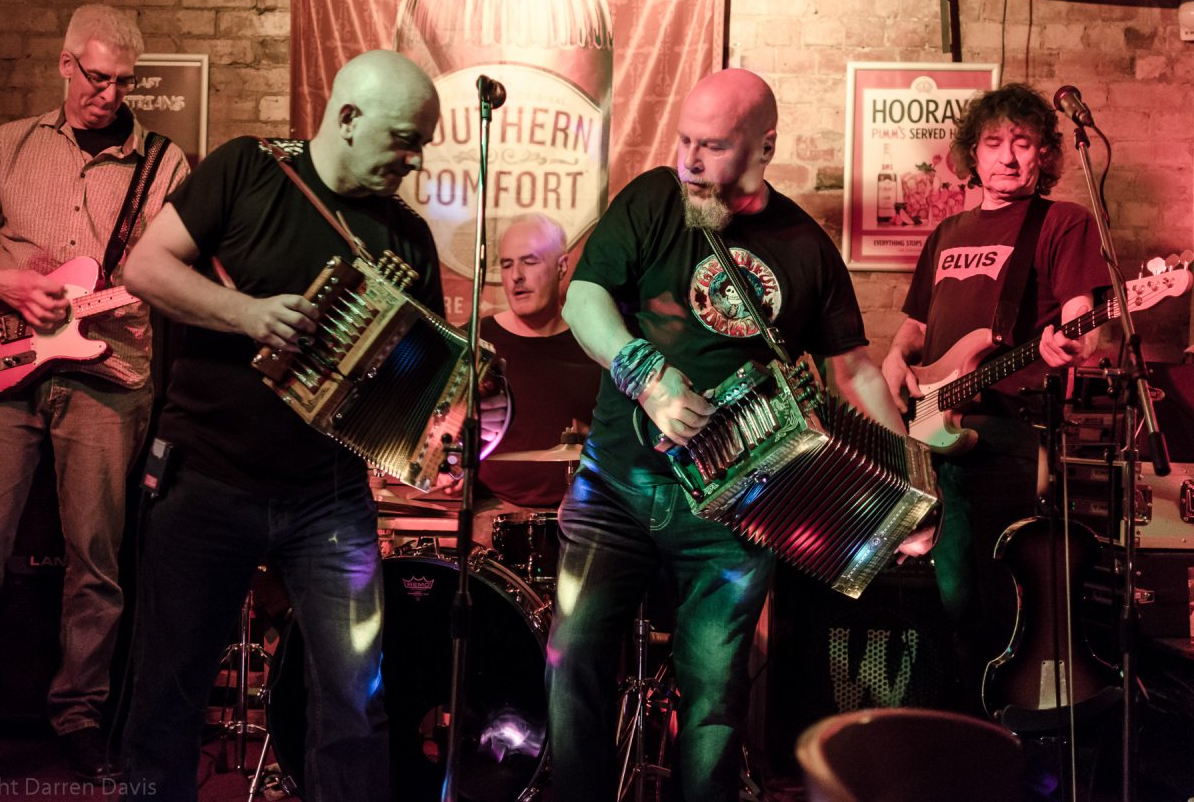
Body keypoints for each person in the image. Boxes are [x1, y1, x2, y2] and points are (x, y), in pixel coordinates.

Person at [547, 67, 916, 801]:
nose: (688, 161)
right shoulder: (654, 198)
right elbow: (583, 296)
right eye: (683, 140)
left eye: (711, 147)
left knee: (714, 698)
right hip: (615, 488)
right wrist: (645, 373)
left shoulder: (805, 247)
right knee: (573, 663)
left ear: (763, 147)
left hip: (735, 512)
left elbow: (854, 371)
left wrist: (911, 489)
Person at [118, 49, 449, 802]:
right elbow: (146, 268)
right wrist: (247, 314)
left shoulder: (408, 236)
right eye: (405, 139)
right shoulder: (247, 168)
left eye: (422, 143)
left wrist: (457, 404)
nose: (415, 159)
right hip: (205, 479)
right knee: (168, 698)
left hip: (330, 497)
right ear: (348, 117)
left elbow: (421, 381)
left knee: (356, 704)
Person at [0, 4, 189, 794]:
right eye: (97, 77)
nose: (110, 94)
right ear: (66, 65)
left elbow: (186, 269)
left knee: (96, 565)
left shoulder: (166, 163)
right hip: (5, 369)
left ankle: (79, 717)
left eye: (125, 82)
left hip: (111, 377)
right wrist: (2, 283)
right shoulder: (11, 144)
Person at [880, 82, 1109, 712]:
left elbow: (1081, 314)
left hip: (1005, 430)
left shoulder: (1061, 222)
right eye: (994, 143)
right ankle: (960, 716)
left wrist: (1075, 340)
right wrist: (897, 356)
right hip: (930, 426)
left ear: (1045, 154)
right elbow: (918, 324)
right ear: (972, 155)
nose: (1008, 157)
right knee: (947, 590)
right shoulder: (948, 231)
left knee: (995, 593)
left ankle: (1004, 720)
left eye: (1024, 143)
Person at [473, 215, 600, 552]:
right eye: (507, 265)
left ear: (562, 266)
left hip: (584, 521)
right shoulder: (475, 342)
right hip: (493, 523)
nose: (516, 276)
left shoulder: (595, 343)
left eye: (529, 262)